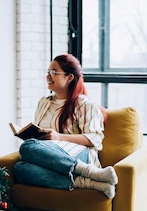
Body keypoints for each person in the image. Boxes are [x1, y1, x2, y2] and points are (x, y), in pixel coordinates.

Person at [13, 53, 118, 198]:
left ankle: (90, 172)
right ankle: (91, 182)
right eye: (48, 72)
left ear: (69, 77)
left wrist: (59, 137)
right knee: (19, 169)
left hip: (80, 154)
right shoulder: (44, 102)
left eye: (53, 72)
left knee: (26, 147)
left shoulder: (84, 104)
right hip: (51, 155)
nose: (48, 76)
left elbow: (95, 138)